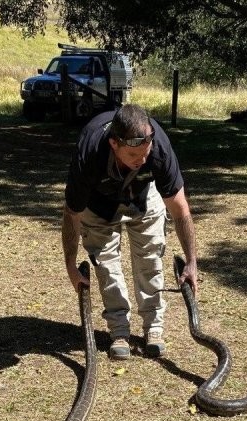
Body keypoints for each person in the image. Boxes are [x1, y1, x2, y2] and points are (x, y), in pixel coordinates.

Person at [61, 103, 197, 360]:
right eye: (134, 157)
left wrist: (191, 261)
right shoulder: (89, 152)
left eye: (145, 155)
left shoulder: (158, 149)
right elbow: (71, 213)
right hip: (98, 202)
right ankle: (119, 331)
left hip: (143, 198)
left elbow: (180, 210)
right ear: (114, 143)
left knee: (150, 259)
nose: (142, 161)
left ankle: (154, 328)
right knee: (106, 264)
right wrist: (70, 264)